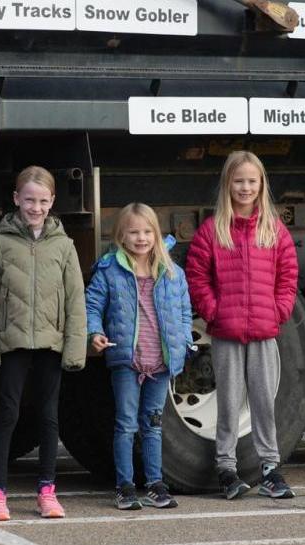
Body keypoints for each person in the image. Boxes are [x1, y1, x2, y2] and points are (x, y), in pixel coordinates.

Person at [185, 150, 298, 500]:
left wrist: (279, 310)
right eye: (238, 181)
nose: (245, 187)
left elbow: (288, 275)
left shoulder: (274, 230)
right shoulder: (212, 231)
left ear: (261, 184)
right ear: (227, 184)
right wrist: (213, 312)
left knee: (264, 401)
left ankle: (270, 469)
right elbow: (197, 275)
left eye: (251, 181)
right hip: (227, 333)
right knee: (229, 402)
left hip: (264, 332)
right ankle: (226, 468)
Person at [0, 165, 87, 521]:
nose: (35, 207)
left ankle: (47, 490)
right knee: (8, 413)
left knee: (48, 415)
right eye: (28, 200)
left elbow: (75, 301)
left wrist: (74, 349)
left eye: (42, 201)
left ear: (52, 201)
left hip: (51, 344)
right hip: (13, 343)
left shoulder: (64, 246)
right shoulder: (0, 243)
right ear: (16, 199)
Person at [86, 203, 193, 510]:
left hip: (160, 363)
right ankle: (124, 485)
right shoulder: (110, 270)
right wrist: (94, 332)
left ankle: (156, 484)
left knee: (153, 423)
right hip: (126, 361)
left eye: (147, 231)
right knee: (125, 424)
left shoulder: (172, 272)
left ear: (156, 234)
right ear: (121, 235)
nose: (141, 238)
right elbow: (92, 304)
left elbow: (185, 311)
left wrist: (184, 339)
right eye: (133, 232)